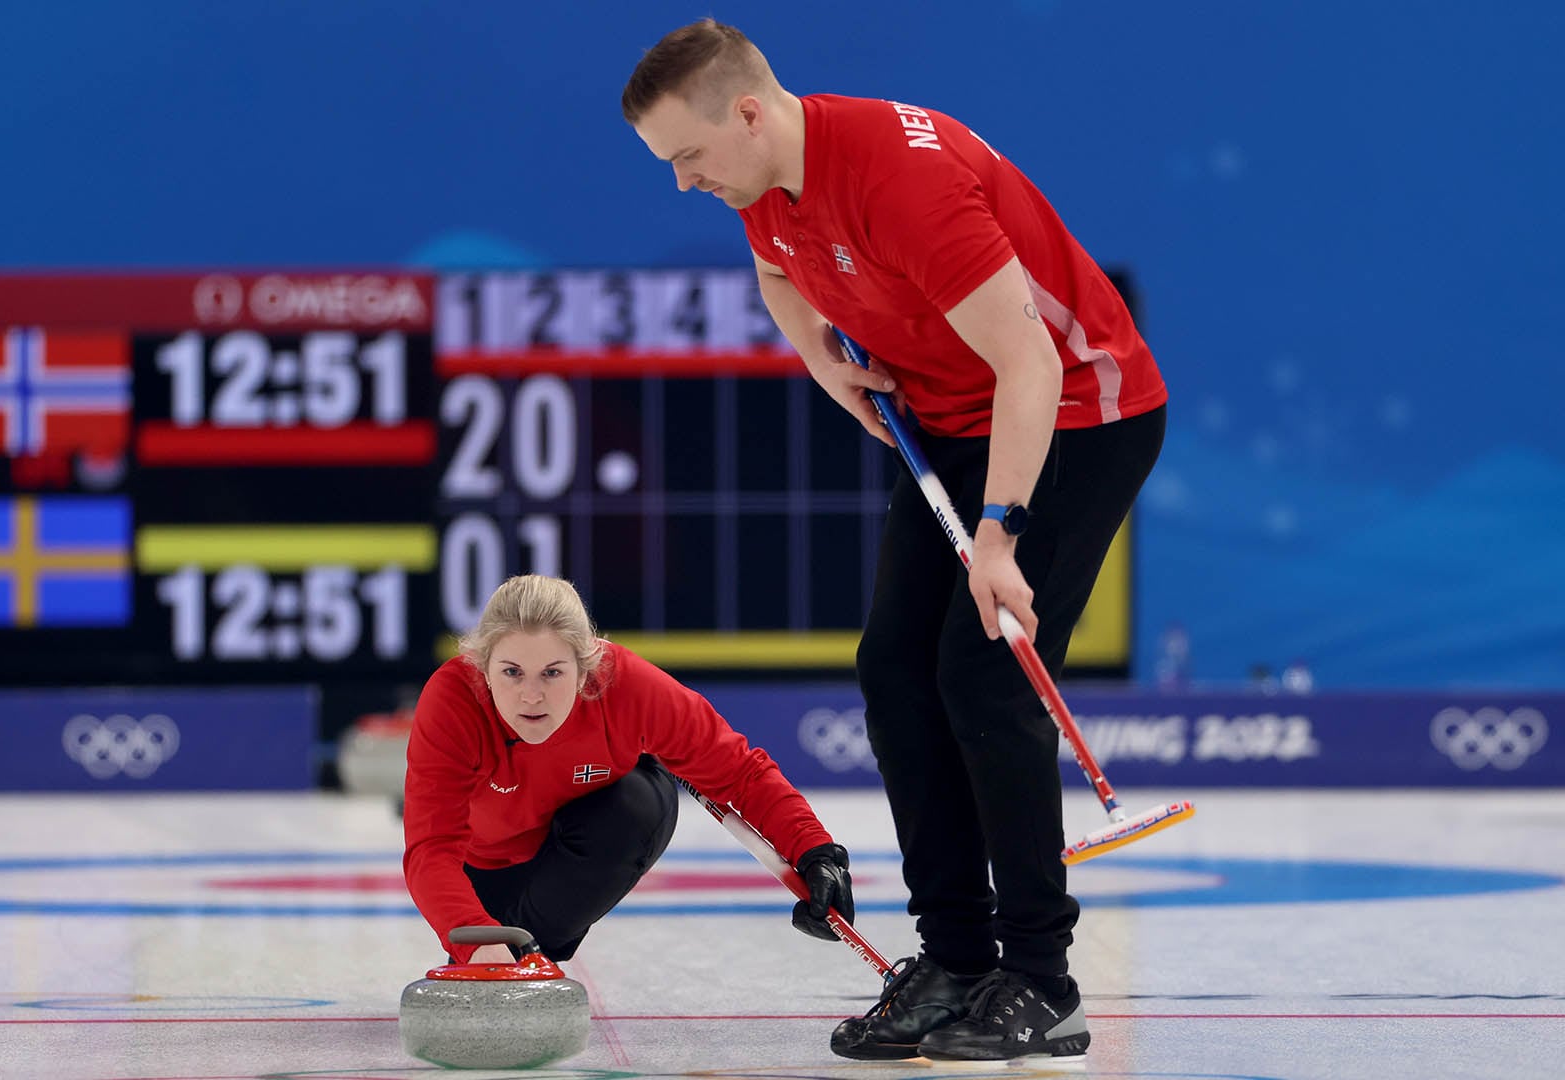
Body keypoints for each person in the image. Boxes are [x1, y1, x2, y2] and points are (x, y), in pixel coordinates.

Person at [622, 20, 1168, 1065]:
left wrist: (1002, 534)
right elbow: (783, 276)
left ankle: (1044, 983)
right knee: (894, 673)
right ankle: (957, 958)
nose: (685, 183)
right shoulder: (763, 186)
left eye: (688, 157)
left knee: (986, 677)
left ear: (748, 111)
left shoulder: (898, 181)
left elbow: (1033, 367)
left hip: (1077, 418)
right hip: (952, 423)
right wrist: (827, 366)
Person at [402, 573, 857, 968]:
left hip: (581, 847)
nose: (532, 696)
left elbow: (740, 772)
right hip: (486, 870)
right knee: (484, 929)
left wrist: (816, 852)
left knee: (638, 803)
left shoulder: (628, 685)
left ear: (585, 670)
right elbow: (431, 848)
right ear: (483, 669)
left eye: (553, 673)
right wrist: (473, 935)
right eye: (512, 673)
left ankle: (528, 952)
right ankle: (507, 948)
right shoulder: (452, 702)